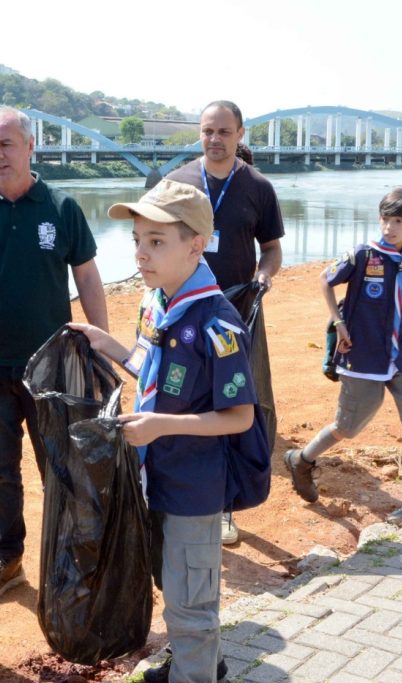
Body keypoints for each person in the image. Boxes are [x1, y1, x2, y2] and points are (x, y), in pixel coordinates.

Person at [69, 179, 257, 683]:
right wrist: (109, 347)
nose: (140, 254)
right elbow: (149, 370)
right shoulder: (157, 304)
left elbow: (239, 416)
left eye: (155, 241)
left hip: (194, 490)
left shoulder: (218, 324)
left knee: (191, 604)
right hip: (151, 476)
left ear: (196, 245)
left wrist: (159, 429)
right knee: (173, 584)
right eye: (136, 240)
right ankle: (200, 660)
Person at [0, 106, 110, 602]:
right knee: (0, 472)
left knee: (59, 466)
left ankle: (70, 558)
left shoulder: (61, 208)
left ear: (30, 146)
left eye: (6, 144)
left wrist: (100, 344)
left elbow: (87, 278)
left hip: (52, 367)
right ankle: (9, 555)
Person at [284, 187, 402, 518]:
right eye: (385, 219)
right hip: (362, 356)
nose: (389, 228)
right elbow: (325, 279)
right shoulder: (364, 255)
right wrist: (338, 323)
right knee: (346, 428)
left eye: (398, 222)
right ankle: (301, 459)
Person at [165, 99, 284, 546]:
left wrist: (263, 276)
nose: (215, 140)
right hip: (182, 316)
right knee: (182, 403)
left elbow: (271, 249)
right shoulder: (176, 184)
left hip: (235, 317)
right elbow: (151, 241)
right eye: (207, 131)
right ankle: (173, 493)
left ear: (240, 135)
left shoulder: (257, 187)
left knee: (234, 407)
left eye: (224, 132)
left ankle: (226, 506)